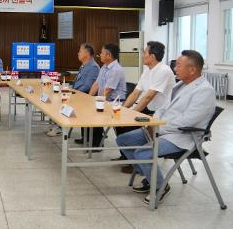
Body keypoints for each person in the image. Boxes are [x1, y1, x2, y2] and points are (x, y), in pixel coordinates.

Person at [117, 50, 215, 204]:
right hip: (162, 129)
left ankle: (159, 186)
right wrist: (153, 123)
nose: (175, 68)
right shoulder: (180, 85)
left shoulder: (205, 91)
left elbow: (187, 122)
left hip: (182, 137)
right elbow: (161, 108)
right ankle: (151, 178)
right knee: (123, 140)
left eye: (178, 65)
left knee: (143, 153)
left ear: (192, 69)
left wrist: (157, 128)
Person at [114, 41, 176, 172]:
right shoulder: (148, 70)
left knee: (127, 126)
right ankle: (126, 156)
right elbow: (136, 92)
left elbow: (148, 96)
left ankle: (135, 163)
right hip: (151, 108)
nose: (142, 56)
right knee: (119, 122)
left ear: (152, 56)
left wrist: (131, 115)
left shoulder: (163, 71)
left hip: (161, 112)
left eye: (144, 53)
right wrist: (123, 110)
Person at [47, 43, 100, 137]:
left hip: (84, 97)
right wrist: (69, 90)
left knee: (63, 101)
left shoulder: (93, 67)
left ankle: (60, 127)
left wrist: (73, 93)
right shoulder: (83, 66)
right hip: (76, 94)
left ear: (86, 54)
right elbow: (76, 83)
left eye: (80, 51)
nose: (78, 53)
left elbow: (87, 86)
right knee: (57, 98)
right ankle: (58, 125)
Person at [88, 43, 126, 148]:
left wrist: (97, 102)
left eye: (102, 53)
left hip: (115, 103)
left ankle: (97, 144)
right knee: (90, 109)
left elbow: (108, 90)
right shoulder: (104, 67)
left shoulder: (116, 69)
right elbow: (96, 84)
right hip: (105, 100)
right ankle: (93, 142)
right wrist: (88, 98)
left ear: (108, 55)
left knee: (95, 112)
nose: (100, 55)